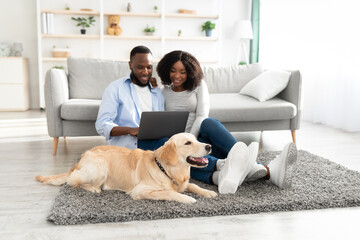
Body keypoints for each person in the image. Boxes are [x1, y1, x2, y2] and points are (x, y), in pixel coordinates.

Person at [156, 50, 298, 194]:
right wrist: (184, 144)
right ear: (166, 70)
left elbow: (201, 115)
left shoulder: (199, 86)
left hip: (197, 137)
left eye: (182, 72)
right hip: (182, 145)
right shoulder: (163, 91)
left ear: (190, 72)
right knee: (179, 158)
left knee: (208, 122)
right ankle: (257, 171)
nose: (177, 76)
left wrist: (191, 140)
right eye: (173, 71)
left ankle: (244, 160)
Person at [95, 45, 168, 151]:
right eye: (140, 67)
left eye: (149, 67)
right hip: (130, 146)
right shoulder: (115, 88)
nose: (145, 72)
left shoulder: (156, 91)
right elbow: (102, 125)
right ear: (130, 65)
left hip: (155, 142)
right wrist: (130, 130)